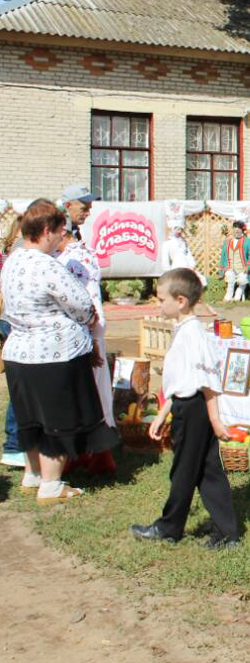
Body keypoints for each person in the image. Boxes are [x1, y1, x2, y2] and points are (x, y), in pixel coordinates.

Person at [2, 199, 117, 504]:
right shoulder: (47, 265)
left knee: (30, 417)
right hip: (53, 354)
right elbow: (81, 305)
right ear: (44, 231)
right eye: (58, 232)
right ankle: (51, 485)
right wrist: (90, 317)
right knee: (58, 419)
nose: (60, 239)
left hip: (18, 353)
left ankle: (33, 474)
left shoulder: (13, 260)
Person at [131, 268, 239, 548]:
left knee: (184, 470)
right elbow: (181, 382)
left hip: (194, 410)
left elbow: (207, 382)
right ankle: (227, 532)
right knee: (208, 470)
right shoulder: (183, 330)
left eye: (161, 299)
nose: (158, 304)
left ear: (180, 301)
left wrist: (214, 419)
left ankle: (169, 528)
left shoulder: (194, 336)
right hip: (186, 405)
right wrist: (163, 414)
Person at [59, 184, 118, 474]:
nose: (88, 211)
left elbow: (91, 296)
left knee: (95, 391)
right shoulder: (64, 254)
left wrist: (96, 337)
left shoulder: (79, 251)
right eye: (83, 206)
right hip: (75, 334)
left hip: (90, 332)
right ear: (68, 206)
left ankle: (97, 453)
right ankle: (81, 452)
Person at [0, 214, 23, 468]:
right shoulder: (20, 252)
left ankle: (16, 444)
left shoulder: (9, 252)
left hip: (8, 319)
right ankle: (14, 445)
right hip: (13, 321)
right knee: (21, 387)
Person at [219, 220, 250, 302]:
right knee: (230, 277)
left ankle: (237, 296)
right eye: (235, 227)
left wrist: (248, 267)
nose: (237, 230)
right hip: (230, 268)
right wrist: (222, 270)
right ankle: (228, 297)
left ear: (242, 230)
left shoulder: (247, 241)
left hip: (242, 268)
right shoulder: (227, 242)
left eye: (239, 228)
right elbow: (223, 257)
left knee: (242, 280)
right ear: (233, 229)